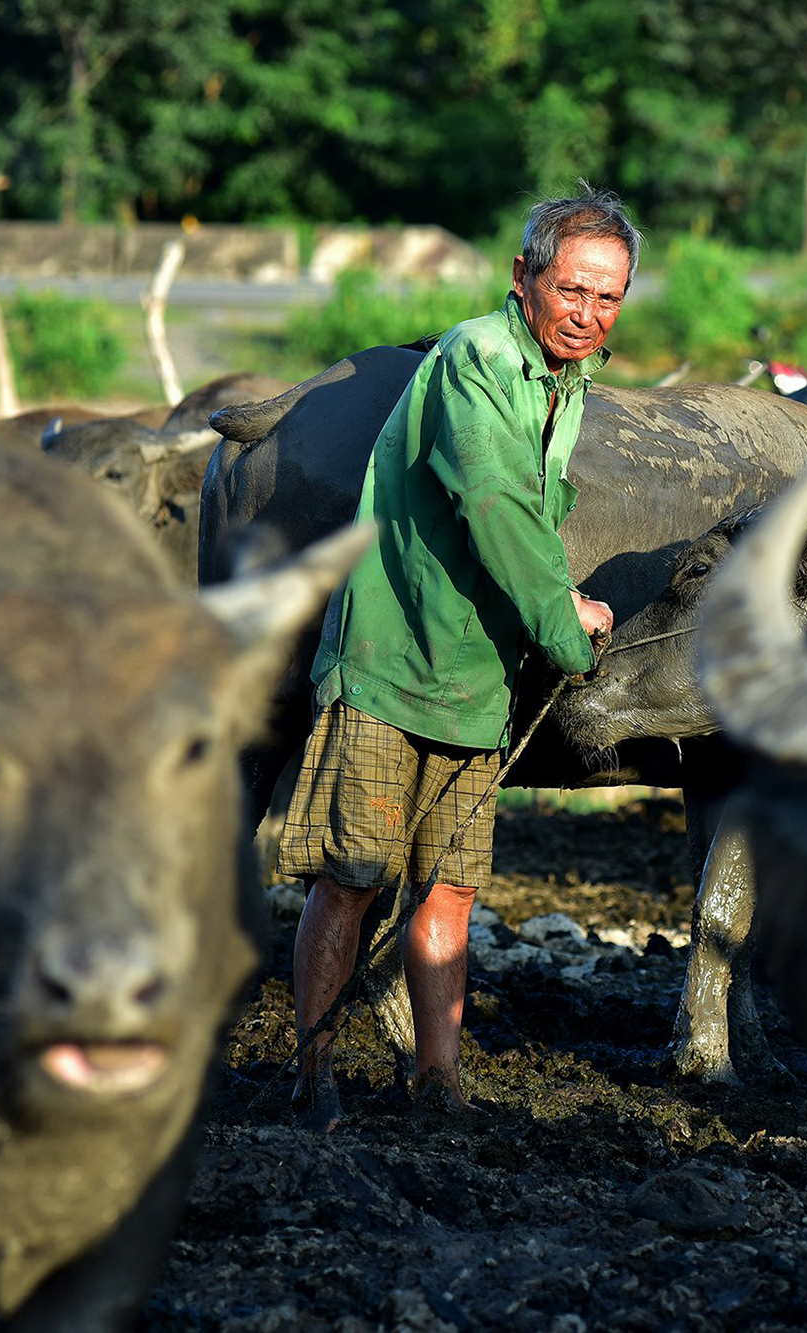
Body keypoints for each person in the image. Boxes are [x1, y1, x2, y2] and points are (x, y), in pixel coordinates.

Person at [278, 182, 639, 1130]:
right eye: (572, 291)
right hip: (395, 659)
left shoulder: (568, 384)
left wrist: (547, 617)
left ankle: (438, 1086)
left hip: (477, 677)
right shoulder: (475, 359)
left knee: (449, 894)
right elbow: (493, 502)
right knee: (353, 876)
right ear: (523, 277)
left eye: (608, 300)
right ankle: (311, 1078)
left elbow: (534, 517)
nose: (588, 314)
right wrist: (564, 625)